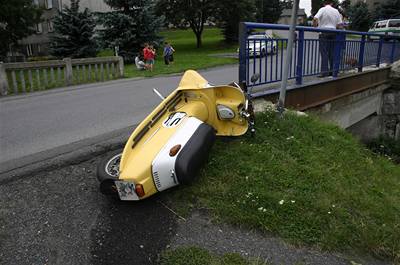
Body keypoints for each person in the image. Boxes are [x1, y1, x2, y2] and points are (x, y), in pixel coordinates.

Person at [313, 0, 343, 77]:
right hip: (333, 33)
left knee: (324, 53)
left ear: (324, 3)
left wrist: (315, 26)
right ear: (332, 3)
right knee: (332, 52)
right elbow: (340, 25)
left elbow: (315, 18)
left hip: (323, 32)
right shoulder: (336, 11)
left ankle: (324, 72)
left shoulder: (322, 9)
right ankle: (333, 71)